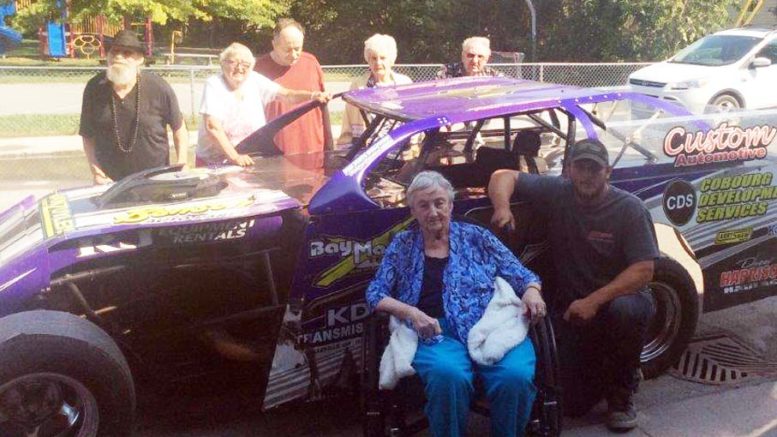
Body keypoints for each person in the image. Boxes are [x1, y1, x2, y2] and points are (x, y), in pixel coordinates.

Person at [488, 139, 658, 432]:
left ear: (608, 172)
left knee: (625, 311)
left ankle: (622, 394)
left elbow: (644, 270)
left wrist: (593, 301)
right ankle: (606, 370)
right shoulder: (559, 192)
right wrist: (502, 208)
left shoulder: (630, 209)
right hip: (573, 310)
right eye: (581, 167)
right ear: (568, 170)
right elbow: (502, 175)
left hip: (618, 301)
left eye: (595, 168)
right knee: (575, 406)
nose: (587, 175)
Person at [366, 171, 546, 437]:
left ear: (451, 205)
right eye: (424, 205)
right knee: (449, 376)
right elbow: (375, 292)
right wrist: (410, 312)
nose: (433, 212)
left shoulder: (477, 237)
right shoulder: (403, 244)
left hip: (489, 326)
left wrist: (532, 291)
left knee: (515, 377)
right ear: (413, 210)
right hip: (434, 331)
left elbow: (521, 274)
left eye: (439, 203)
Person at [79, 29, 189, 184]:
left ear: (140, 59)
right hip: (110, 183)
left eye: (127, 53)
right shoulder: (94, 88)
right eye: (115, 51)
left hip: (156, 180)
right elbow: (87, 135)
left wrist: (182, 163)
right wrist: (97, 172)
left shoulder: (158, 87)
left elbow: (179, 128)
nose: (119, 57)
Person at [196, 42, 331, 166]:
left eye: (245, 64)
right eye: (232, 62)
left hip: (247, 157)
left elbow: (286, 95)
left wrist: (313, 95)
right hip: (214, 161)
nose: (239, 68)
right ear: (222, 63)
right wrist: (235, 157)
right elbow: (212, 127)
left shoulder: (254, 79)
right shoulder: (214, 84)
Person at [254, 18, 332, 155]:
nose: (294, 55)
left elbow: (323, 106)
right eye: (287, 50)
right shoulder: (258, 68)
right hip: (275, 151)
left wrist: (329, 144)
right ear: (274, 44)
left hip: (313, 147)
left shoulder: (311, 62)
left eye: (298, 49)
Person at [337, 33, 412, 147]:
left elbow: (414, 121)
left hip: (400, 149)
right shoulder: (359, 86)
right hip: (368, 151)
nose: (378, 63)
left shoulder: (404, 83)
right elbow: (347, 123)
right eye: (373, 58)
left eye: (382, 58)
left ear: (392, 60)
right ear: (368, 60)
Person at [436, 36, 505, 79]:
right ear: (462, 56)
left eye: (480, 57)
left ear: (487, 59)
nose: (475, 61)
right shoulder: (447, 72)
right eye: (470, 55)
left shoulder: (494, 76)